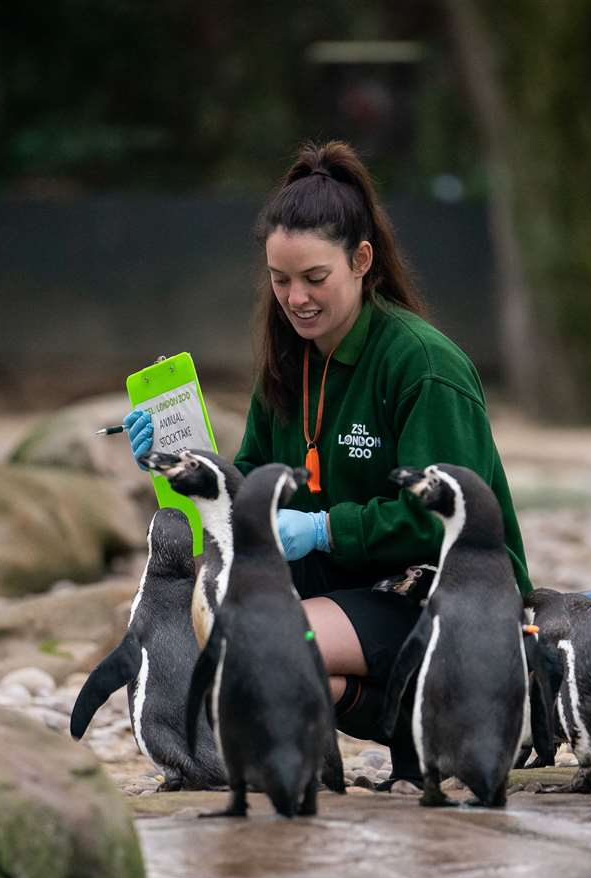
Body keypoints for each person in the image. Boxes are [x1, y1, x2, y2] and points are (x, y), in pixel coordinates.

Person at [124, 140, 531, 785]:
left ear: (362, 260)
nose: (296, 298)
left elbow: (441, 524)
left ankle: (439, 720)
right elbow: (248, 493)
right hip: (347, 586)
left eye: (315, 278)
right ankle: (327, 752)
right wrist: (181, 467)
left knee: (269, 643)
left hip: (448, 600)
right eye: (280, 280)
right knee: (198, 610)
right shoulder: (290, 366)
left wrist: (321, 528)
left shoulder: (423, 365)